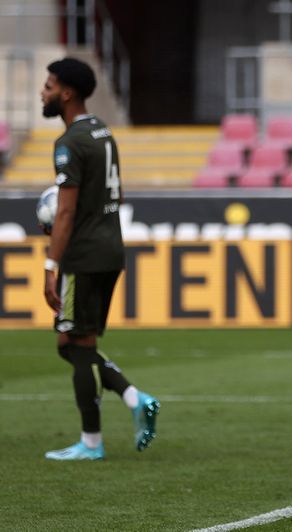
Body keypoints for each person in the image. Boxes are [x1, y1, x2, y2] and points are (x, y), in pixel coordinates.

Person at [40, 57, 160, 461]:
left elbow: (67, 212)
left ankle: (92, 442)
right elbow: (117, 195)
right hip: (110, 246)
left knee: (77, 343)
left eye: (50, 84)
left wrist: (50, 266)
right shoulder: (104, 132)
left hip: (85, 255)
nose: (44, 91)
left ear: (66, 93)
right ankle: (133, 397)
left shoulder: (70, 142)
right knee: (69, 342)